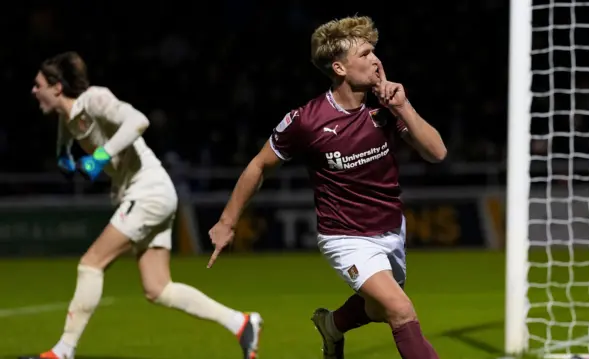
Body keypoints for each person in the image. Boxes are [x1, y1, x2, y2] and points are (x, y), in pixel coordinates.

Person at [207, 16, 446, 359]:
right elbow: (260, 164)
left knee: (378, 309)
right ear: (340, 68)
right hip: (345, 237)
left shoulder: (387, 103)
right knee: (400, 310)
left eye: (374, 52)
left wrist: (403, 106)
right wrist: (227, 222)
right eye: (364, 54)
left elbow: (437, 153)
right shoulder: (307, 121)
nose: (375, 60)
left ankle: (332, 325)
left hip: (391, 228)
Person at [24, 51, 262, 359]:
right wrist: (63, 157)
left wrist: (100, 155)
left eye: (37, 84)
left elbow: (139, 120)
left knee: (91, 263)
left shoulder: (95, 98)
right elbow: (66, 139)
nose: (33, 90)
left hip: (148, 191)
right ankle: (242, 323)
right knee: (158, 288)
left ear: (57, 87)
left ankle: (64, 351)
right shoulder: (67, 119)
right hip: (149, 193)